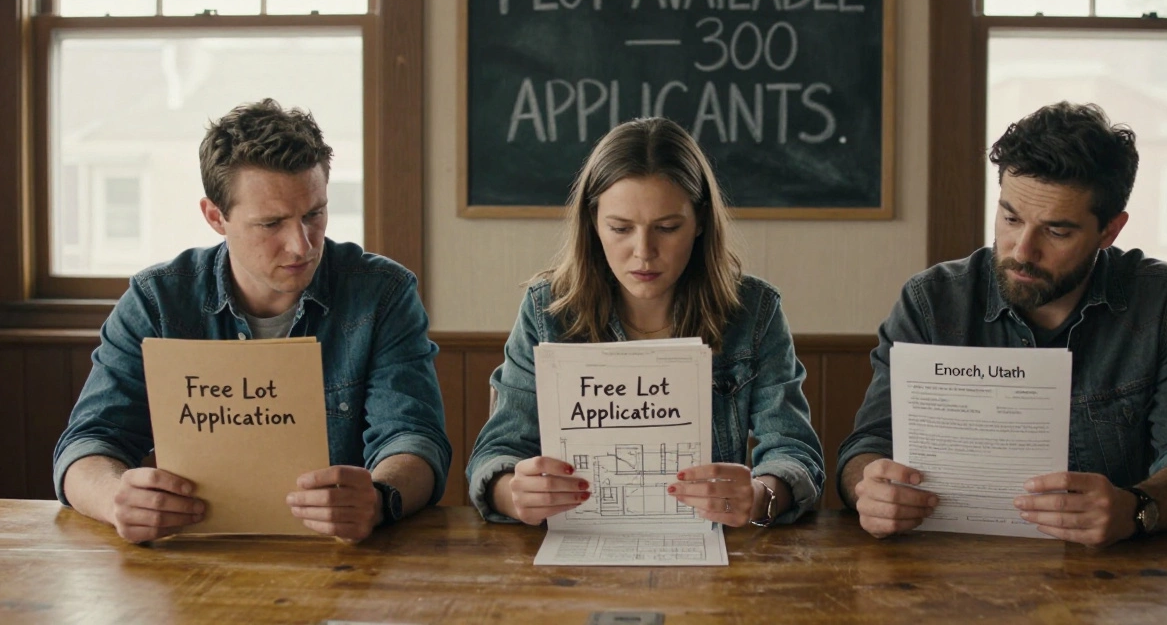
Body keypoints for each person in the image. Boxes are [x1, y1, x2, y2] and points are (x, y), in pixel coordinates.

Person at [838, 101, 1167, 547]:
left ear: (1109, 231)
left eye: (1056, 231)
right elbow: (867, 445)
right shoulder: (932, 300)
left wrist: (1137, 507)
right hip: (950, 568)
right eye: (1011, 218)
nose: (1022, 250)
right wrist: (868, 489)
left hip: (1117, 575)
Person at [53, 98, 451, 544]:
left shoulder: (382, 293)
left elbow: (415, 439)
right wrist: (114, 499)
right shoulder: (157, 301)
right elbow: (88, 444)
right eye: (271, 224)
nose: (301, 246)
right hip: (191, 557)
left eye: (314, 214)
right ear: (215, 217)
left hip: (346, 557)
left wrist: (379, 498)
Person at [466, 117, 823, 527]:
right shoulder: (547, 311)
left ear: (701, 221)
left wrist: (761, 496)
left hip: (715, 552)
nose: (643, 252)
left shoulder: (754, 312)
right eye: (620, 228)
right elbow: (495, 452)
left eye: (667, 228)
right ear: (593, 223)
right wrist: (513, 492)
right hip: (578, 544)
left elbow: (794, 451)